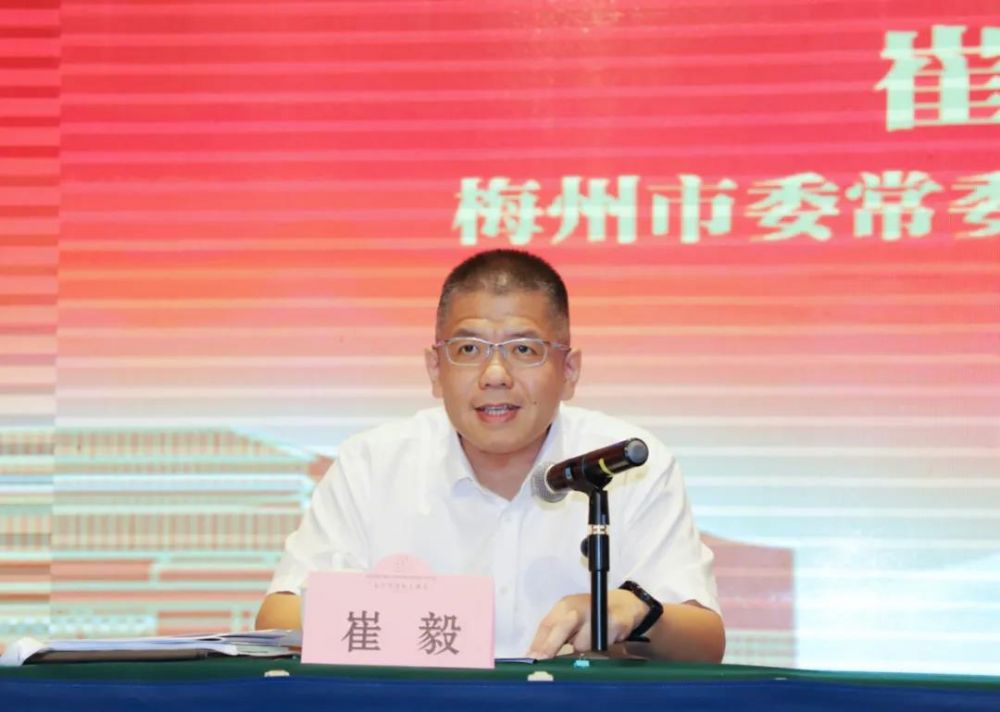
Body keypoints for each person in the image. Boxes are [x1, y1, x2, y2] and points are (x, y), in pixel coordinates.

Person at [256, 249, 724, 662]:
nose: (495, 374)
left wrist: (635, 611)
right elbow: (278, 618)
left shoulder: (623, 464)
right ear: (435, 370)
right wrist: (420, 619)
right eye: (469, 349)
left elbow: (705, 642)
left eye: (524, 349)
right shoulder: (372, 465)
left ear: (569, 371)